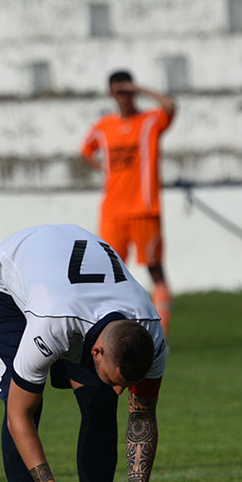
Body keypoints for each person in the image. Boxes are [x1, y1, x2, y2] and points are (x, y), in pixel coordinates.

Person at [0, 224, 167, 482]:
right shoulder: (53, 322)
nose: (122, 389)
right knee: (25, 405)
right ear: (95, 352)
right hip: (5, 287)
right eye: (117, 379)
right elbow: (18, 415)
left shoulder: (150, 329)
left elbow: (142, 415)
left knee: (101, 400)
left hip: (72, 294)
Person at [80, 70, 176, 334]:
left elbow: (170, 105)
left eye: (127, 90)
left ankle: (161, 337)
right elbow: (85, 151)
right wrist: (106, 169)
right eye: (118, 91)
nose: (123, 96)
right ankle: (112, 333)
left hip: (145, 210)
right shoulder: (103, 127)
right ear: (111, 94)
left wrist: (140, 88)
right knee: (109, 275)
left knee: (155, 271)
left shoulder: (149, 121)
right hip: (113, 212)